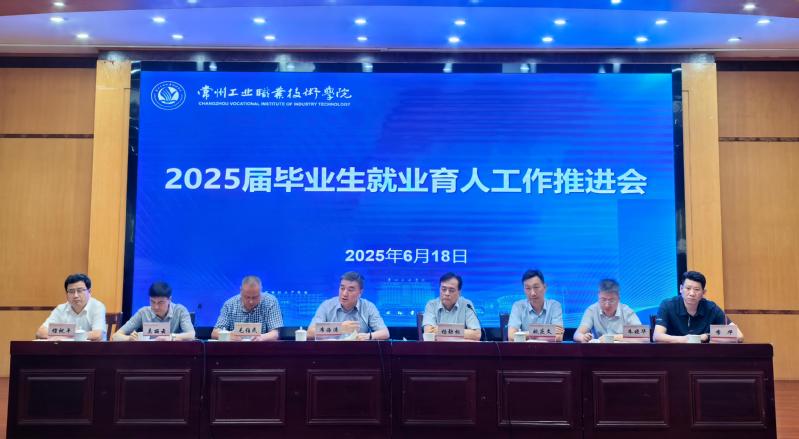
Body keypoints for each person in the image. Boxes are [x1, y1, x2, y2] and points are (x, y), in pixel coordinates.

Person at [654, 270, 744, 343]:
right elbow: (657, 336)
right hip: (674, 355)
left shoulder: (711, 308)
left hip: (704, 356)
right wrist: (686, 339)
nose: (692, 293)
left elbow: (739, 336)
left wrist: (707, 336)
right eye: (688, 288)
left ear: (703, 293)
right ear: (681, 289)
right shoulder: (667, 305)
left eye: (696, 289)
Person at [307, 271, 389, 341]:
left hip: (358, 352)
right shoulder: (327, 306)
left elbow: (385, 333)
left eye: (350, 290)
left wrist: (368, 336)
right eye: (342, 288)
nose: (344, 294)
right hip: (331, 351)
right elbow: (309, 333)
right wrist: (340, 328)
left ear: (360, 292)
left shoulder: (368, 307)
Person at [112, 281, 195, 341]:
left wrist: (171, 337)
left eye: (160, 302)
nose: (156, 307)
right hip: (147, 354)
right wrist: (129, 338)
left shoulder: (180, 310)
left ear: (170, 299)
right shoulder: (143, 312)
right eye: (152, 301)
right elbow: (116, 336)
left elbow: (191, 335)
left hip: (174, 353)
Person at [36, 273, 107, 341]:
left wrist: (64, 336)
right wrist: (71, 336)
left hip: (91, 349)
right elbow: (40, 332)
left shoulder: (97, 307)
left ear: (89, 292)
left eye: (80, 291)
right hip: (66, 349)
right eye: (71, 291)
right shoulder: (61, 309)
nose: (75, 295)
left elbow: (97, 335)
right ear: (66, 294)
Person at [211, 275, 283, 341]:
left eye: (255, 297)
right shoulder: (229, 304)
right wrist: (229, 336)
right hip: (235, 348)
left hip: (262, 348)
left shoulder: (271, 302)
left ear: (260, 291)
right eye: (247, 297)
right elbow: (214, 333)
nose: (251, 301)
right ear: (241, 291)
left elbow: (275, 333)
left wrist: (261, 337)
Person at [573, 278, 641, 342]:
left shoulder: (626, 311)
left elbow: (643, 336)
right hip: (599, 350)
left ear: (618, 298)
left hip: (622, 350)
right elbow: (577, 335)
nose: (607, 305)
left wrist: (612, 338)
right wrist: (583, 337)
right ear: (598, 296)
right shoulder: (592, 310)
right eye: (603, 299)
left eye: (611, 300)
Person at [422, 272, 481, 341]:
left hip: (461, 348)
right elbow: (429, 333)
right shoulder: (431, 305)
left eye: (451, 290)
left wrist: (440, 330)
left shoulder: (467, 305)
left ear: (459, 292)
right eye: (443, 289)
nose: (447, 293)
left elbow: (476, 334)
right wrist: (461, 336)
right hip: (437, 348)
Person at [508, 269, 564, 341]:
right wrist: (547, 332)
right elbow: (511, 336)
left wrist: (524, 334)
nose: (533, 293)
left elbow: (558, 337)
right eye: (528, 288)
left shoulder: (555, 306)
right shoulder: (518, 306)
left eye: (536, 287)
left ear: (545, 287)